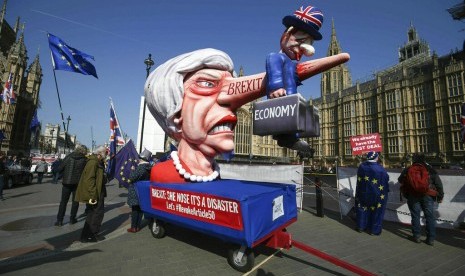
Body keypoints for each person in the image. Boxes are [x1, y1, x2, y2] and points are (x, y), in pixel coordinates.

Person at [265, 5, 323, 153]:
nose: (299, 50)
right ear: (288, 34)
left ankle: (294, 139)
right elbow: (273, 64)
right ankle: (284, 136)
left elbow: (294, 78)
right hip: (281, 100)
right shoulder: (277, 57)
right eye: (298, 42)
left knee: (296, 118)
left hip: (291, 101)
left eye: (304, 47)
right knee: (284, 119)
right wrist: (276, 86)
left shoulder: (292, 64)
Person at [398, 153, 444, 246]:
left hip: (413, 195)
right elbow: (439, 184)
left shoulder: (408, 169)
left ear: (414, 159)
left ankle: (416, 236)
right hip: (428, 195)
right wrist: (440, 196)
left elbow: (400, 180)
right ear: (424, 159)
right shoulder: (430, 169)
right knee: (429, 217)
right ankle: (430, 239)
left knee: (415, 215)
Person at [75, 146, 108, 243]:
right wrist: (93, 195)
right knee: (96, 214)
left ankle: (86, 235)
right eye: (105, 153)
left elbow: (99, 178)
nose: (106, 155)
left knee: (92, 214)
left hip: (98, 191)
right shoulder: (93, 162)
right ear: (99, 153)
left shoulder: (98, 162)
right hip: (95, 193)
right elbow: (89, 180)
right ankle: (92, 234)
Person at [354, 152, 389, 235]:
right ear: (376, 158)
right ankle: (374, 230)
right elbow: (386, 179)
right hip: (377, 194)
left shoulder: (362, 166)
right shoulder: (381, 169)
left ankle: (361, 227)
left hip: (363, 192)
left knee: (362, 209)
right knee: (377, 211)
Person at [54, 145, 88, 227]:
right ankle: (72, 219)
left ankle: (59, 220)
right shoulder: (84, 159)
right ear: (83, 151)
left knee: (63, 202)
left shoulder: (69, 157)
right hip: (77, 183)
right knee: (75, 202)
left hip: (66, 182)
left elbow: (60, 168)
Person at [127, 149, 153, 233]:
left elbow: (132, 178)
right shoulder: (149, 168)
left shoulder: (140, 167)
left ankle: (134, 227)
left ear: (142, 159)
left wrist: (132, 170)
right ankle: (138, 226)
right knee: (140, 209)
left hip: (136, 190)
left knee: (135, 210)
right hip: (144, 191)